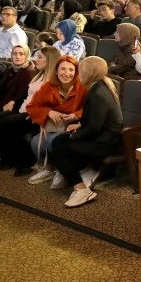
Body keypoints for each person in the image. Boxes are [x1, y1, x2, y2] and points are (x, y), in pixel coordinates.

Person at [48, 56, 124, 208]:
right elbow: (94, 119)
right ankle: (76, 172)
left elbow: (94, 128)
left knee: (57, 151)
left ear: (89, 72)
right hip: (102, 136)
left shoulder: (98, 94)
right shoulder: (100, 85)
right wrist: (77, 126)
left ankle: (82, 190)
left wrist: (75, 135)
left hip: (105, 142)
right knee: (58, 141)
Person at [26, 56, 85, 187]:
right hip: (53, 126)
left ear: (76, 72)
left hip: (74, 127)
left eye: (71, 70)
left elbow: (89, 109)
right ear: (56, 70)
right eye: (63, 69)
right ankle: (48, 169)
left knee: (52, 142)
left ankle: (61, 171)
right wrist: (48, 112)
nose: (67, 73)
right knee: (36, 142)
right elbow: (32, 107)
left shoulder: (82, 87)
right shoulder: (48, 86)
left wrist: (76, 115)